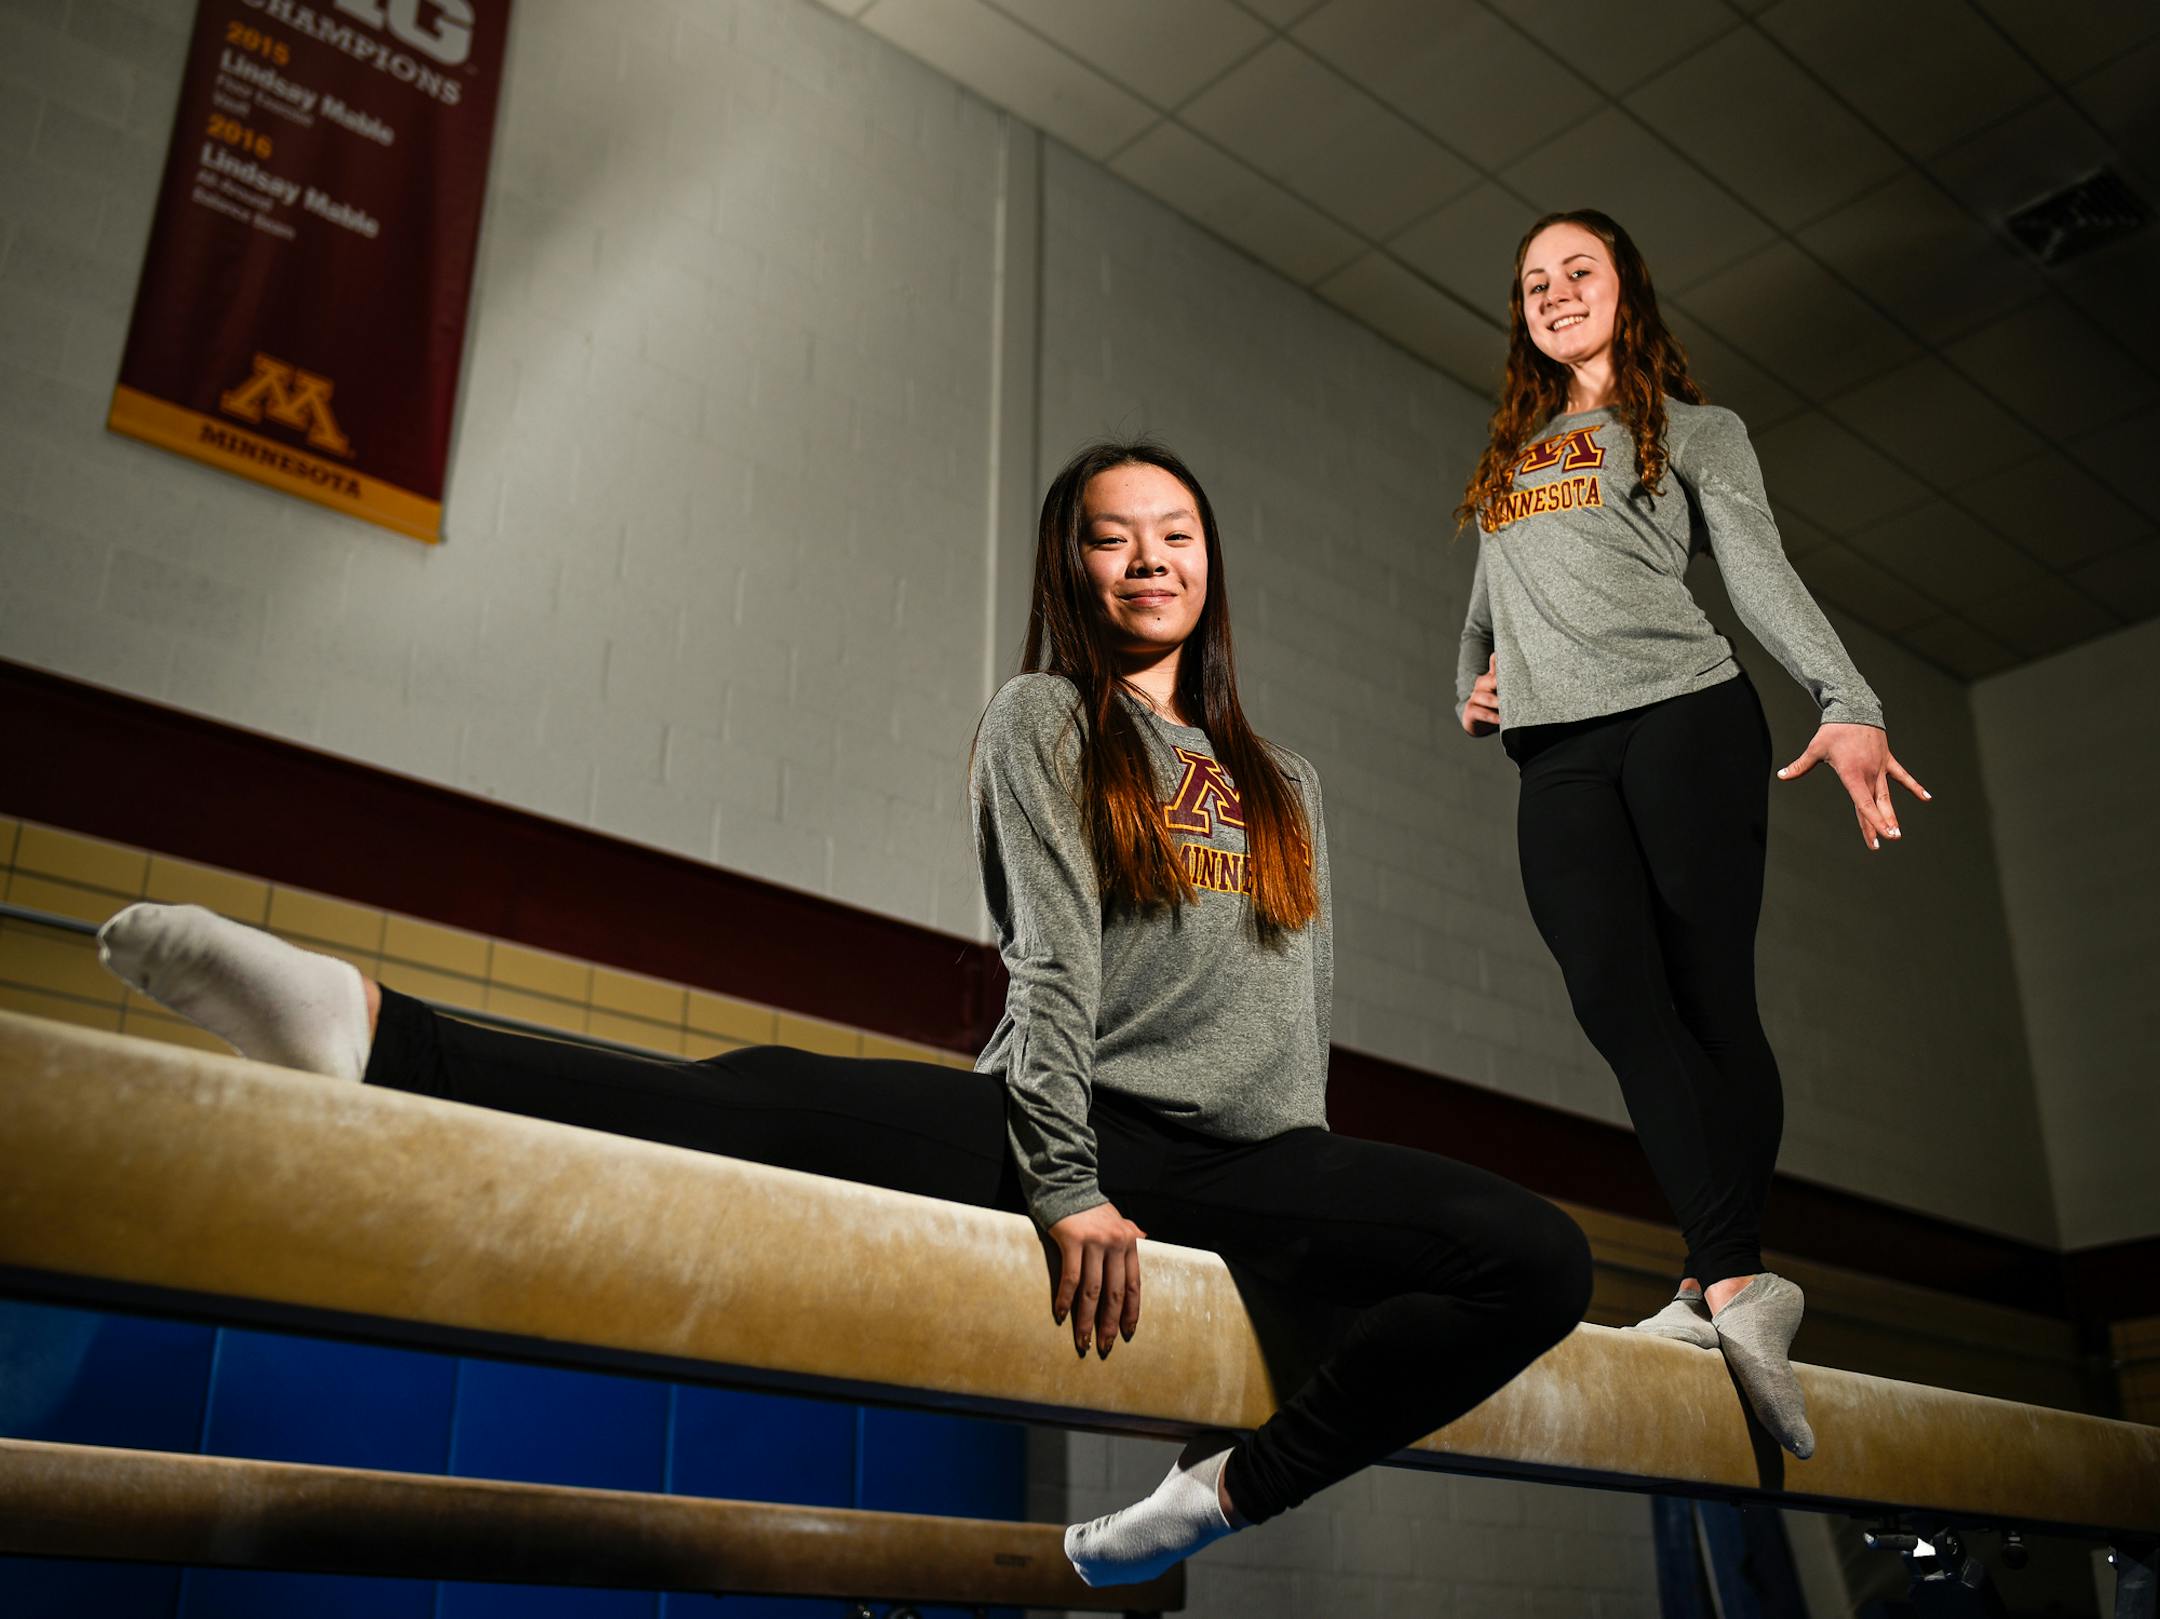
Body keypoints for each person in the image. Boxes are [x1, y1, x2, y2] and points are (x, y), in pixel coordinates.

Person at [99, 439, 1593, 1588]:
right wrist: (1067, 1181)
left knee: (1540, 1251)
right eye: (1110, 536)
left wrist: (1315, 1229)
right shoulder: (1048, 719)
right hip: (1064, 1123)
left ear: (1215, 565)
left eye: (1177, 534)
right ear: (1069, 569)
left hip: (1257, 1164)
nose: (1148, 559)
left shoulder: (1290, 787)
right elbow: (1055, 963)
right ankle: (373, 1036)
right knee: (747, 1100)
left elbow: (1293, 1018)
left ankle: (1215, 1499)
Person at [1453, 210, 1930, 1461]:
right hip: (1556, 755)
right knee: (1616, 995)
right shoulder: (1513, 451)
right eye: (1535, 284)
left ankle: (1722, 1277)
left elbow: (1759, 568)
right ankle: (1730, 1281)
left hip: (1683, 716)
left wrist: (1850, 698)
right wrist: (1474, 678)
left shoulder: (1695, 429)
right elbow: (1490, 596)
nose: (1555, 294)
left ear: (1627, 291)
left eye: (1579, 274)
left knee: (1709, 993)